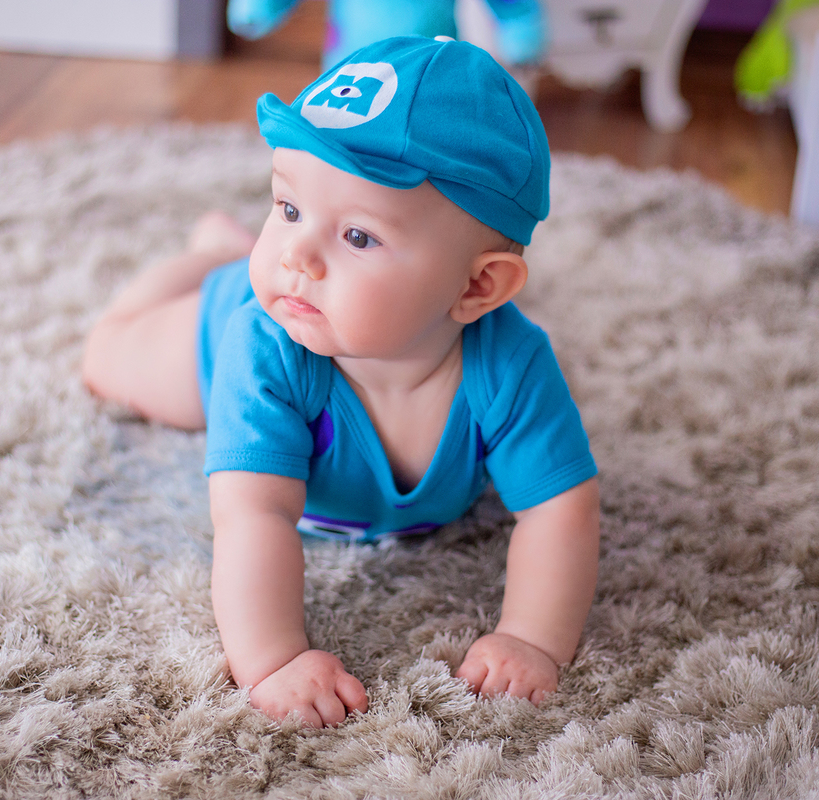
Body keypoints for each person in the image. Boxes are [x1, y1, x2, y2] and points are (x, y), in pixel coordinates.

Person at [82, 35, 600, 729]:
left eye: (358, 236)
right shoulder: (261, 347)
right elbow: (253, 514)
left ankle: (226, 251)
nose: (297, 253)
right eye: (288, 208)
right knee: (106, 356)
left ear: (477, 287)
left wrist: (532, 638)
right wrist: (272, 660)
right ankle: (211, 256)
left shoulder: (511, 365)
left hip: (311, 314)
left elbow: (561, 509)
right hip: (233, 322)